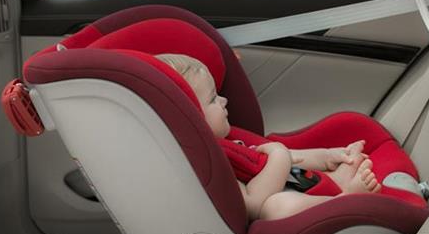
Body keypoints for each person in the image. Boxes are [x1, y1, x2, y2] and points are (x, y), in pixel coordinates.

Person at [156, 53, 382, 221]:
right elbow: (254, 204)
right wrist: (279, 156)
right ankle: (344, 200)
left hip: (294, 183)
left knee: (284, 162)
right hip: (279, 203)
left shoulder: (226, 145)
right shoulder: (207, 167)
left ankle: (337, 177)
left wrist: (328, 156)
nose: (224, 101)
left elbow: (285, 158)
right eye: (213, 99)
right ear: (190, 119)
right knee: (277, 207)